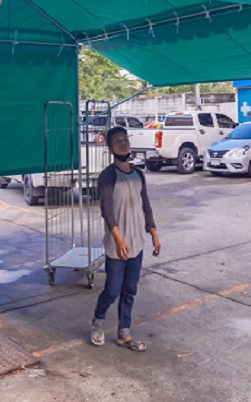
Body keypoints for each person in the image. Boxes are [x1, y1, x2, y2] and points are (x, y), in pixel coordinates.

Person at [90, 126, 161, 350]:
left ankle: (124, 333)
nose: (123, 144)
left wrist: (153, 233)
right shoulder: (108, 176)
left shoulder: (138, 174)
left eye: (125, 140)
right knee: (113, 290)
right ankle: (98, 321)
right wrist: (119, 239)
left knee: (130, 289)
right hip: (117, 244)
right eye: (117, 141)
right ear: (110, 148)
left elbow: (145, 205)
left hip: (136, 242)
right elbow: (107, 210)